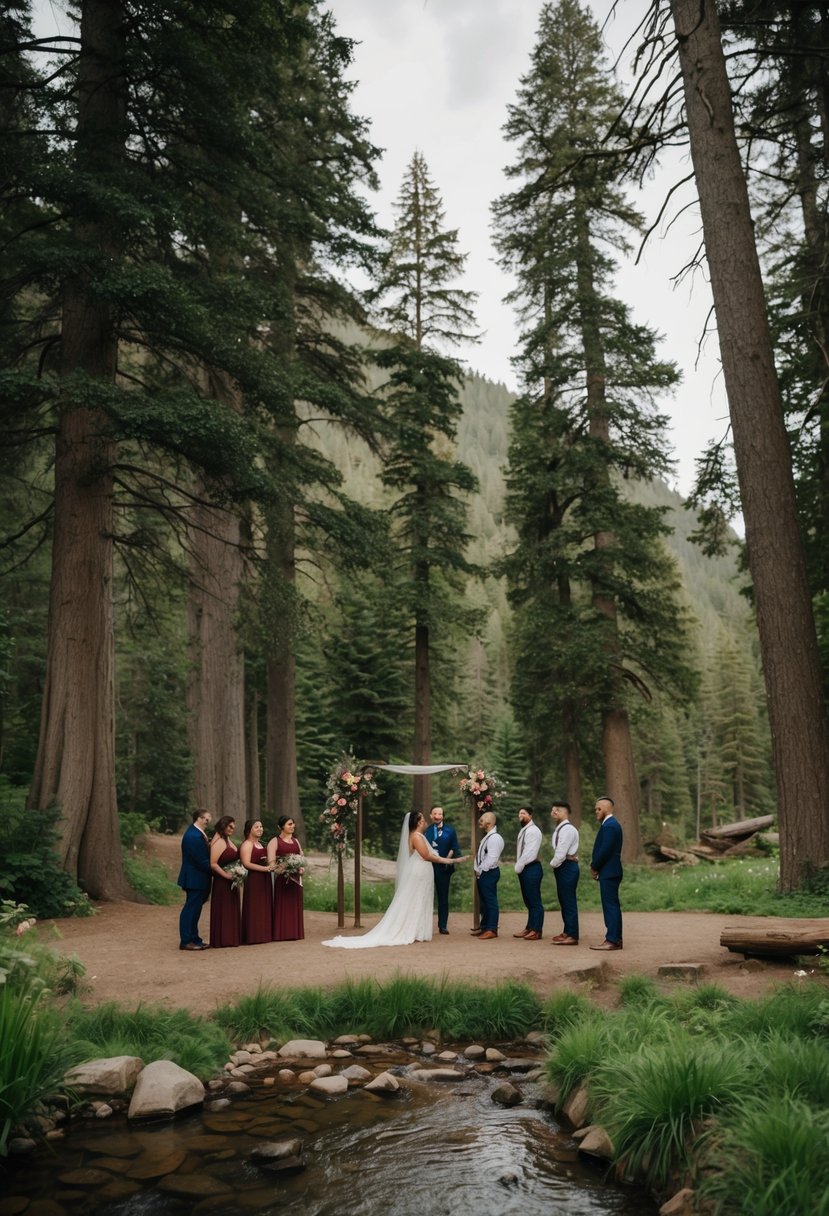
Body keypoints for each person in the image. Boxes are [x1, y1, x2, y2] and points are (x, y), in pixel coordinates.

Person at [322, 811, 465, 949]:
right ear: (419, 821)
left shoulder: (419, 835)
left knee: (421, 899)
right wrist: (449, 861)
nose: (426, 821)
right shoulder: (416, 836)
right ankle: (411, 930)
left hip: (423, 872)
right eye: (423, 819)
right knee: (416, 899)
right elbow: (427, 856)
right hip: (419, 872)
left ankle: (417, 930)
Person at [590, 795, 623, 950]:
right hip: (609, 871)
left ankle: (612, 940)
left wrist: (594, 866)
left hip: (609, 871)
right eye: (595, 809)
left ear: (607, 808)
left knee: (610, 906)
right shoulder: (609, 824)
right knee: (611, 905)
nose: (596, 812)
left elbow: (605, 850)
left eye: (599, 809)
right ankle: (615, 938)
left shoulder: (610, 825)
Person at [177, 809, 212, 951]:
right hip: (194, 878)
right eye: (207, 818)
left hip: (199, 877)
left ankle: (194, 938)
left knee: (195, 909)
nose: (208, 821)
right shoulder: (193, 836)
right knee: (190, 909)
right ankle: (186, 941)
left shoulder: (198, 834)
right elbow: (201, 860)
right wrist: (218, 870)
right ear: (200, 818)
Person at [423, 805, 461, 934]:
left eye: (440, 814)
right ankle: (423, 925)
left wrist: (446, 859)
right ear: (430, 815)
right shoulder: (426, 831)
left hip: (444, 868)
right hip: (428, 867)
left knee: (443, 897)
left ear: (443, 816)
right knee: (425, 895)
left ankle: (443, 925)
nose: (437, 816)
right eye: (435, 813)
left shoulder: (451, 831)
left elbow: (454, 847)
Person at [268, 815, 305, 941]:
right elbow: (271, 864)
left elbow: (301, 857)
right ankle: (282, 933)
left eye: (293, 824)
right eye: (289, 824)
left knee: (294, 905)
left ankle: (295, 932)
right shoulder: (274, 841)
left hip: (295, 879)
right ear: (281, 827)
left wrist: (301, 868)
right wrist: (284, 867)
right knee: (283, 906)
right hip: (282, 879)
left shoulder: (296, 841)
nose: (292, 826)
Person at [549, 801, 580, 945]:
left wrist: (553, 864)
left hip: (566, 866)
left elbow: (561, 852)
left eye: (557, 810)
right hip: (563, 866)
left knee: (568, 901)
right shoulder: (559, 829)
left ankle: (572, 935)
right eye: (552, 810)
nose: (553, 812)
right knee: (564, 901)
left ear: (565, 812)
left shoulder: (567, 829)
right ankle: (567, 931)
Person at [209, 815, 242, 949]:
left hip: (232, 881)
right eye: (230, 826)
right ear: (223, 825)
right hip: (222, 882)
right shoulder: (219, 843)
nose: (232, 829)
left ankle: (231, 937)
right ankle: (222, 939)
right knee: (224, 910)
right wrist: (226, 876)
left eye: (233, 827)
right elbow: (213, 864)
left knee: (231, 909)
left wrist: (238, 872)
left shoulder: (227, 840)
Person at [240, 819, 274, 945]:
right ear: (250, 830)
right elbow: (246, 863)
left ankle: (264, 934)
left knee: (264, 905)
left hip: (265, 878)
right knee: (255, 906)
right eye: (257, 827)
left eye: (261, 826)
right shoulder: (247, 844)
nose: (260, 829)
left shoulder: (261, 844)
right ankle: (253, 935)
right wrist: (265, 869)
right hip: (254, 879)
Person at [513, 805, 544, 940]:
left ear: (530, 815)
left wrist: (518, 866)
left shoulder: (533, 831)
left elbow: (530, 852)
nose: (521, 815)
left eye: (524, 813)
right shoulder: (524, 830)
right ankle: (529, 927)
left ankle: (536, 930)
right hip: (525, 868)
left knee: (534, 901)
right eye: (519, 813)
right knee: (528, 901)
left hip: (531, 868)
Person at [472, 811, 504, 940]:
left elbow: (492, 858)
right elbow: (481, 855)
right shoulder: (487, 836)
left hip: (488, 873)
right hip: (483, 873)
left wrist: (480, 870)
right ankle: (484, 927)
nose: (480, 820)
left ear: (489, 822)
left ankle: (492, 929)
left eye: (483, 819)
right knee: (484, 902)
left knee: (490, 902)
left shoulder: (495, 838)